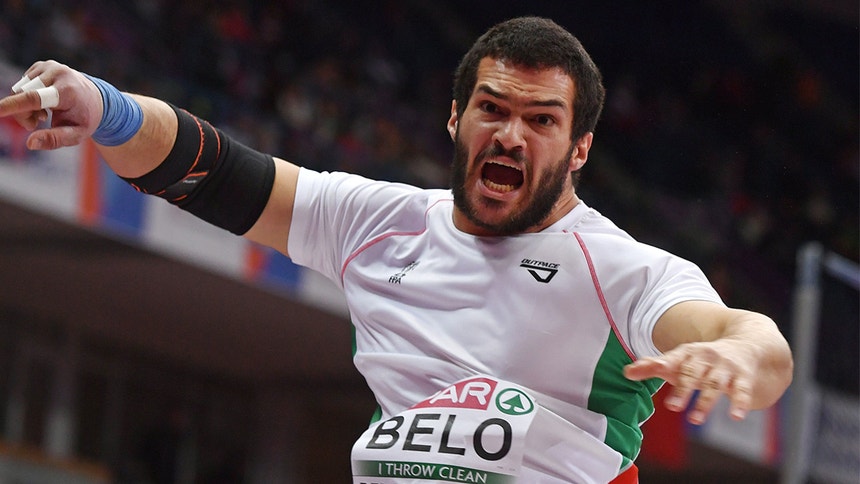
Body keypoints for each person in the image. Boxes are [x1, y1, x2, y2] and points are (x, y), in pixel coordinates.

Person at [1, 16, 792, 484]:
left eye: (542, 120)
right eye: (492, 108)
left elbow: (752, 340)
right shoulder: (378, 222)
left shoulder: (620, 268)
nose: (511, 134)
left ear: (580, 149)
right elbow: (217, 172)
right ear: (456, 119)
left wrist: (737, 357)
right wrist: (101, 107)